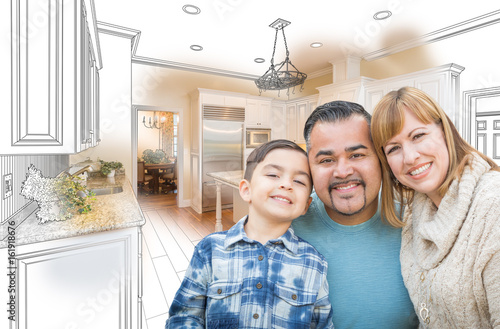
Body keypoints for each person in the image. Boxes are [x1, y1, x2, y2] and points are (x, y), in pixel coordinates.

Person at [166, 139, 334, 329]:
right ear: (246, 190)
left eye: (299, 181)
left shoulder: (314, 262)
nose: (287, 184)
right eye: (273, 174)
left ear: (306, 205)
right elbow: (183, 317)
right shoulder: (210, 250)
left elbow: (322, 325)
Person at [371, 86, 500, 328]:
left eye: (418, 136)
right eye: (393, 148)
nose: (409, 157)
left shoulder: (493, 206)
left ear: (445, 130)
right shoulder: (415, 213)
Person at [292, 101, 418, 329]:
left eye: (357, 155)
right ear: (309, 167)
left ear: (380, 159)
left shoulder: (415, 223)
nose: (342, 172)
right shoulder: (286, 227)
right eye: (326, 160)